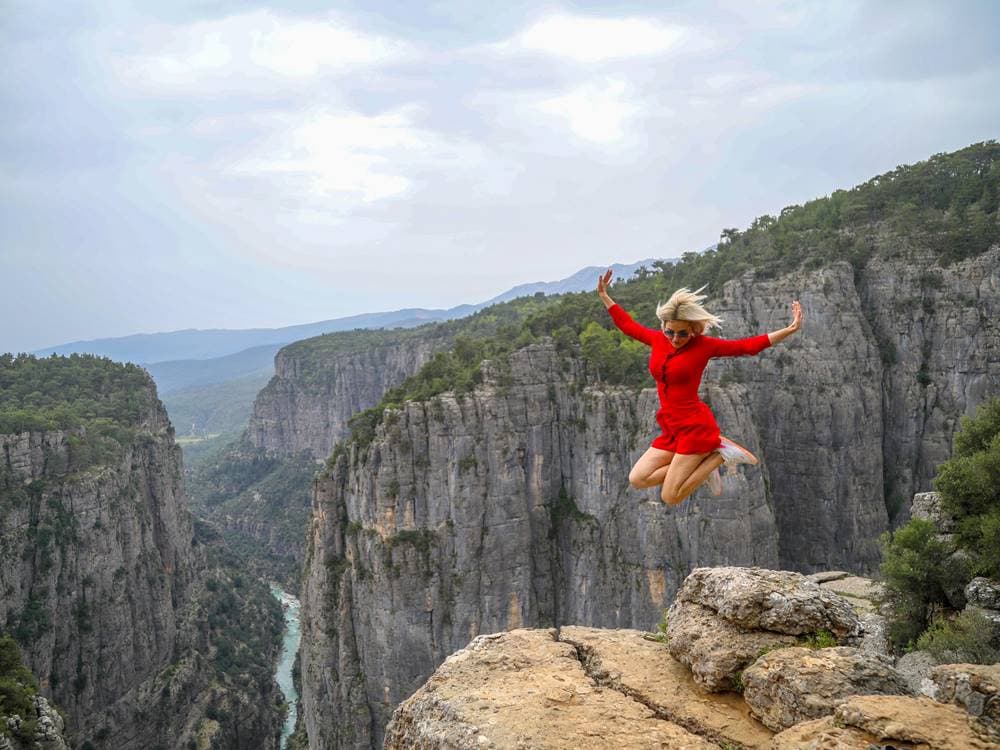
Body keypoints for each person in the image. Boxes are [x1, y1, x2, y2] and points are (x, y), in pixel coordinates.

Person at [596, 270, 802, 506]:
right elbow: (627, 325)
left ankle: (718, 455)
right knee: (638, 478)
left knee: (670, 496)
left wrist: (789, 329)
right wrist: (604, 295)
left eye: (682, 333)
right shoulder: (657, 340)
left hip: (694, 428)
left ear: (694, 329)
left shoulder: (704, 346)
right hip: (672, 427)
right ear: (663, 326)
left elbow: (746, 347)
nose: (675, 338)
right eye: (670, 331)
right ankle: (703, 463)